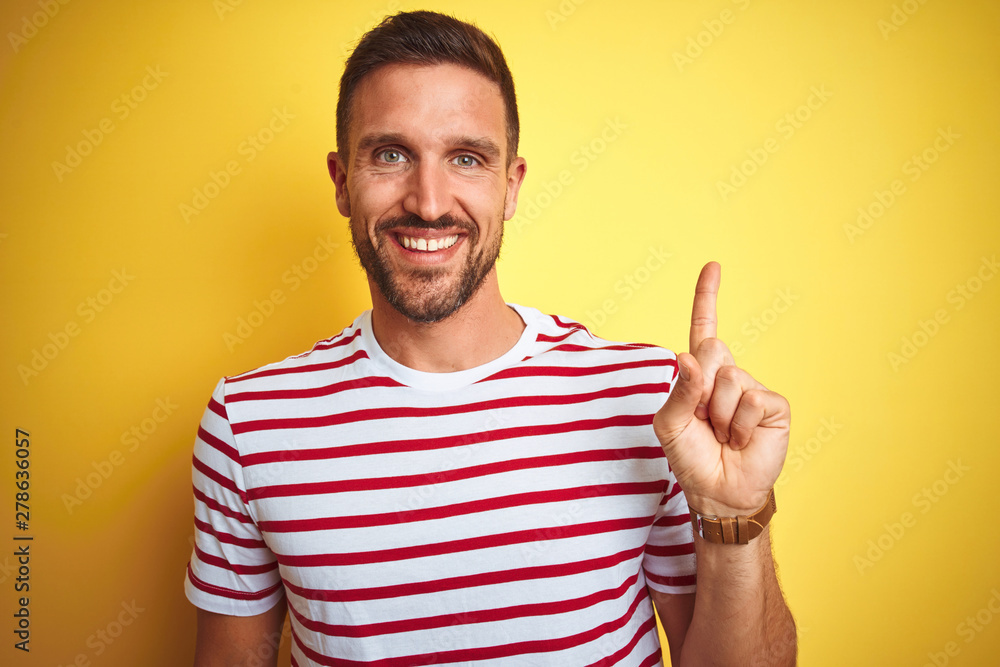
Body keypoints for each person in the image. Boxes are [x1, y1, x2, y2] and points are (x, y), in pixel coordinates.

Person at [185, 10, 796, 666]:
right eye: (391, 155)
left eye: (466, 158)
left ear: (510, 186)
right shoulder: (248, 424)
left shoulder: (653, 402)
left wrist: (734, 517)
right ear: (341, 182)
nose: (428, 202)